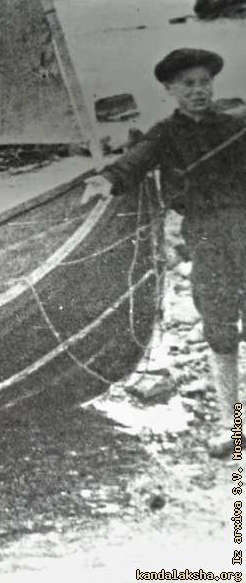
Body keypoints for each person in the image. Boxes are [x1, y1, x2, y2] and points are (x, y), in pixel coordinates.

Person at [82, 47, 246, 458]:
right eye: (188, 84)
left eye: (205, 83)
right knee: (220, 332)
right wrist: (106, 181)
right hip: (206, 237)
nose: (198, 91)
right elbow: (132, 164)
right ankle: (233, 428)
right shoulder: (165, 134)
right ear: (170, 89)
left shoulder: (236, 126)